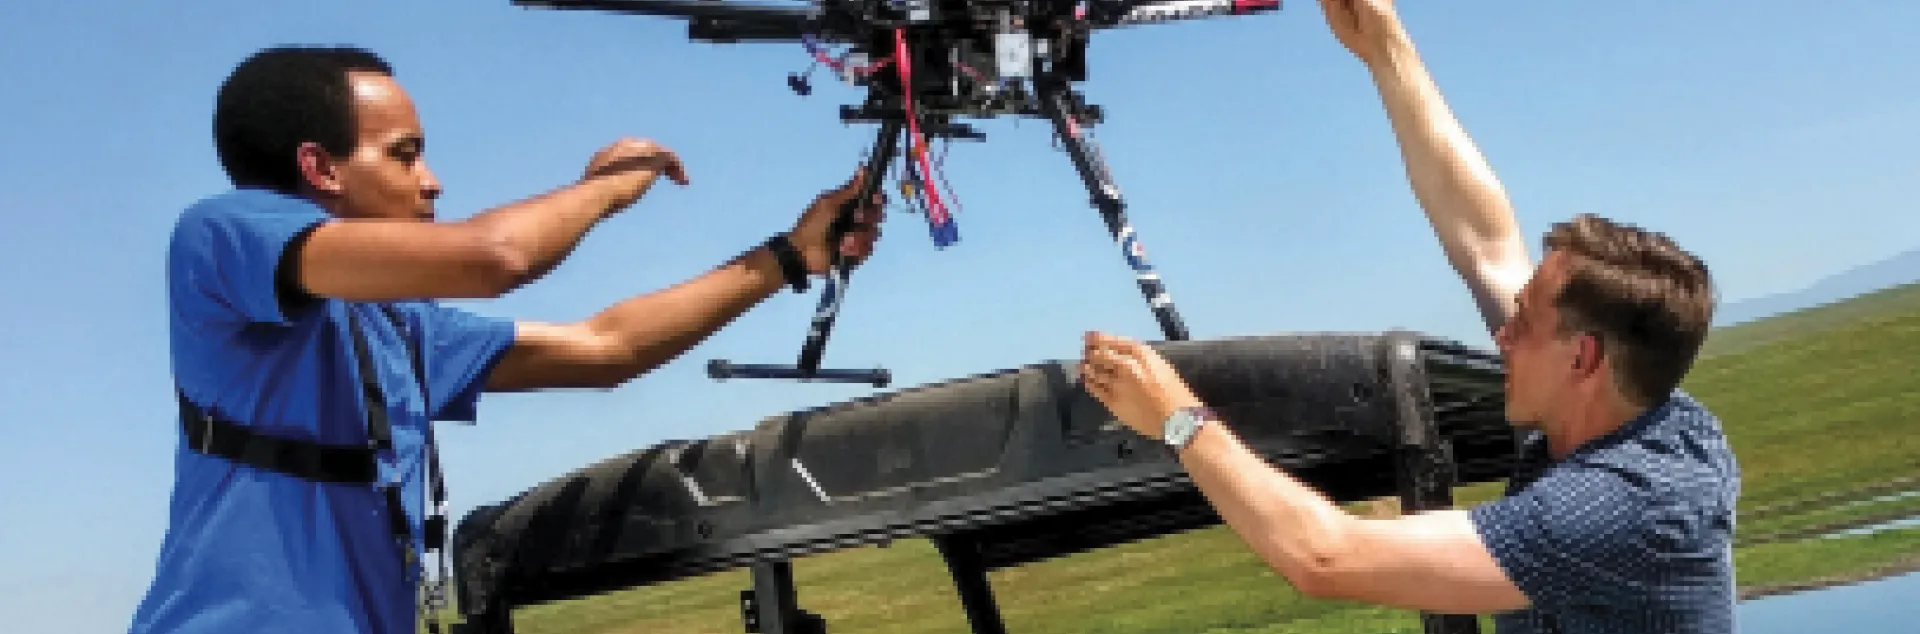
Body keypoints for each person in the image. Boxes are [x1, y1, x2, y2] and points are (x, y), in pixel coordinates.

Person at [128, 45, 884, 634]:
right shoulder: (221, 234)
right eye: (404, 153)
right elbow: (495, 258)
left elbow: (606, 347)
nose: (432, 181)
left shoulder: (393, 328)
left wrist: (790, 255)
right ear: (319, 167)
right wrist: (611, 187)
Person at [1075, 1, 1740, 633]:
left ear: (1583, 358)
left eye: (1526, 323)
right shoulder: (1646, 415)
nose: (1502, 331)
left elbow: (1326, 558)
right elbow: (1484, 239)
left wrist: (1178, 418)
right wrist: (1385, 48)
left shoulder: (1619, 505)